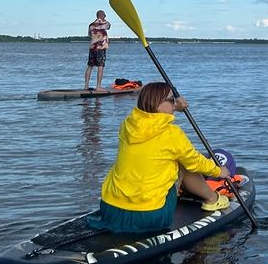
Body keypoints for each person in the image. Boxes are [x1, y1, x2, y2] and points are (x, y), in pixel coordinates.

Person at [89, 81, 231, 234]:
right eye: (171, 100)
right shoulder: (172, 134)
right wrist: (218, 172)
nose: (174, 102)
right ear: (158, 106)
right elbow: (195, 162)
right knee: (184, 162)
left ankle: (179, 191)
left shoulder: (127, 125)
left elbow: (154, 114)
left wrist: (175, 106)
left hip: (110, 210)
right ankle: (212, 199)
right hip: (149, 216)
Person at [85, 9, 111, 91]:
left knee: (90, 66)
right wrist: (103, 19)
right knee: (100, 66)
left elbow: (89, 35)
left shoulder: (91, 25)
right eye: (104, 15)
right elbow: (109, 26)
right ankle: (98, 86)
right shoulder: (105, 23)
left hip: (92, 48)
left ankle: (86, 85)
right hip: (101, 48)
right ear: (102, 16)